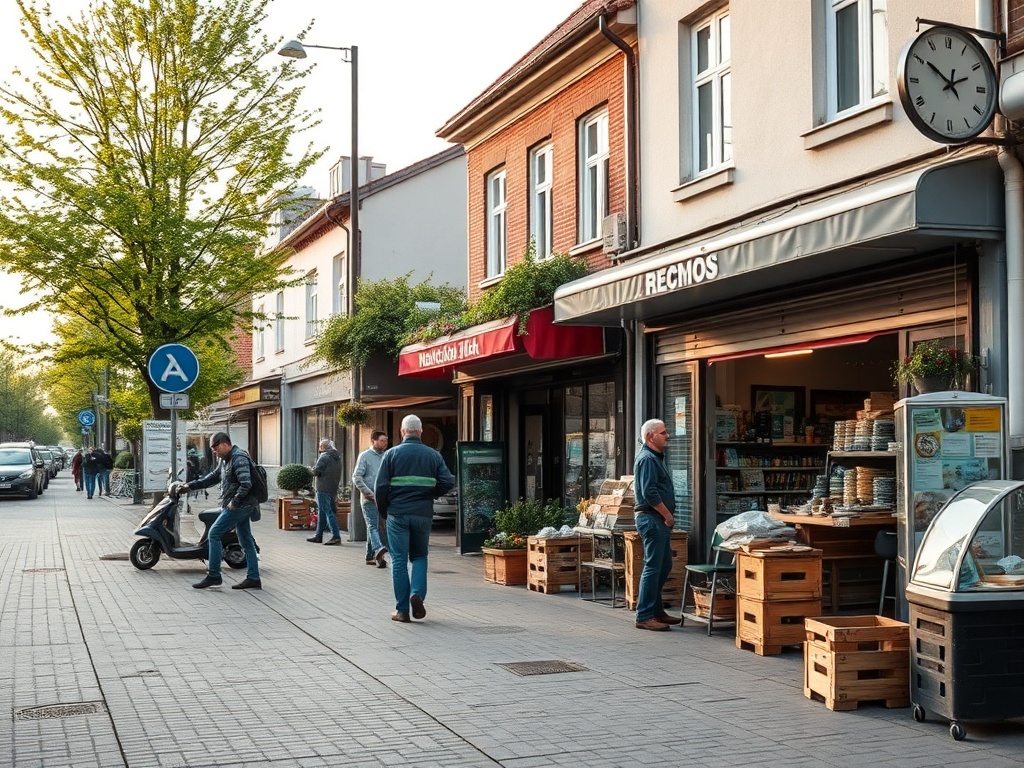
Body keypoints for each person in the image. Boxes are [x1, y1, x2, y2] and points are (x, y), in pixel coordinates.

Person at [376, 415, 454, 623]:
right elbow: (448, 481)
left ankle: (402, 610)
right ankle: (417, 594)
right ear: (420, 432)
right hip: (422, 513)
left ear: (403, 432)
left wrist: (385, 511)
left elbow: (380, 487)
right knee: (419, 556)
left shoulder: (391, 455)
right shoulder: (433, 455)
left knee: (399, 560)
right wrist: (430, 494)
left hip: (398, 513)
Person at [180, 432, 262, 591]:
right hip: (240, 505)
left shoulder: (239, 458)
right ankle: (253, 578)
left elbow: (246, 484)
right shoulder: (225, 461)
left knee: (214, 533)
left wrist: (234, 502)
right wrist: (190, 486)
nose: (213, 451)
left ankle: (214, 575)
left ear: (224, 444)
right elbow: (211, 478)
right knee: (245, 540)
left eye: (215, 447)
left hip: (240, 506)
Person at [632, 418, 677, 632]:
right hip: (652, 518)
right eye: (663, 432)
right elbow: (649, 492)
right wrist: (667, 515)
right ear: (650, 436)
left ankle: (656, 611)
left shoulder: (655, 458)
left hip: (656, 519)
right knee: (653, 566)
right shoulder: (648, 459)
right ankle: (645, 615)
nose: (667, 436)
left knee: (664, 565)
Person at [352, 430, 389, 568]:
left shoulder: (387, 456)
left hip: (383, 498)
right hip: (369, 499)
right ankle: (379, 549)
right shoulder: (365, 456)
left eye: (386, 441)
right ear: (373, 441)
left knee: (380, 526)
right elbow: (356, 477)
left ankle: (370, 556)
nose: (384, 443)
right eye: (381, 440)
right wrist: (368, 493)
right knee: (373, 525)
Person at [308, 438, 344, 545]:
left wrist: (310, 470)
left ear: (324, 447)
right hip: (333, 488)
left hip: (323, 488)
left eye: (320, 446)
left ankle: (336, 536)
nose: (319, 448)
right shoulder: (337, 457)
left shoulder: (324, 456)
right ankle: (318, 535)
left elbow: (316, 471)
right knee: (322, 512)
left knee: (328, 512)